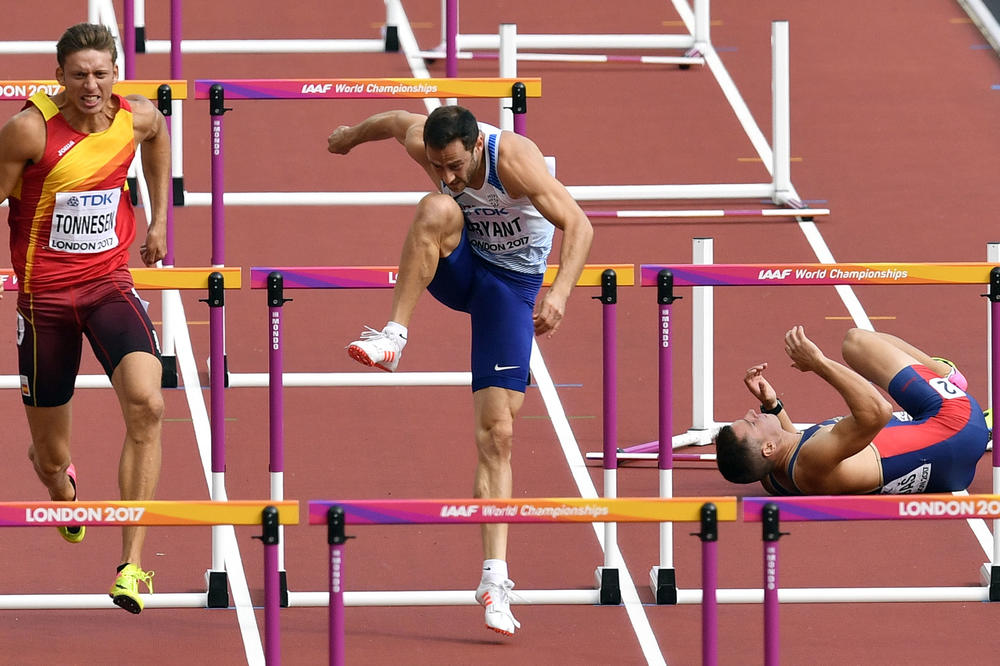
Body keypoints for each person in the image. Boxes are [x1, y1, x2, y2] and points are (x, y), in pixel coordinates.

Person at [327, 105, 593, 635]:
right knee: (435, 209)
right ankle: (394, 338)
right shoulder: (425, 141)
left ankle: (494, 581)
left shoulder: (513, 159)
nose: (448, 176)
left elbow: (580, 225)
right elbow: (390, 121)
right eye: (437, 164)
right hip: (463, 263)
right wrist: (349, 138)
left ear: (475, 147)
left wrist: (560, 292)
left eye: (454, 167)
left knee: (498, 433)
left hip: (510, 290)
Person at [0, 23, 169, 613]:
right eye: (78, 75)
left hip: (107, 287)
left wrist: (158, 221)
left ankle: (132, 565)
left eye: (101, 73)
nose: (90, 86)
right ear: (59, 78)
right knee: (50, 458)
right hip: (43, 303)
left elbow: (158, 134)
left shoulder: (135, 116)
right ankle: (61, 488)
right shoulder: (28, 131)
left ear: (116, 73)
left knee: (149, 402)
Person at [715, 326, 990, 495]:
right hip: (958, 424)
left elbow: (791, 444)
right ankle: (947, 375)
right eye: (751, 424)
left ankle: (959, 401)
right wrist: (819, 364)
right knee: (857, 342)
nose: (751, 413)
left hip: (951, 468)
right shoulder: (812, 459)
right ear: (767, 448)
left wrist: (773, 405)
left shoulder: (773, 478)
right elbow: (878, 411)